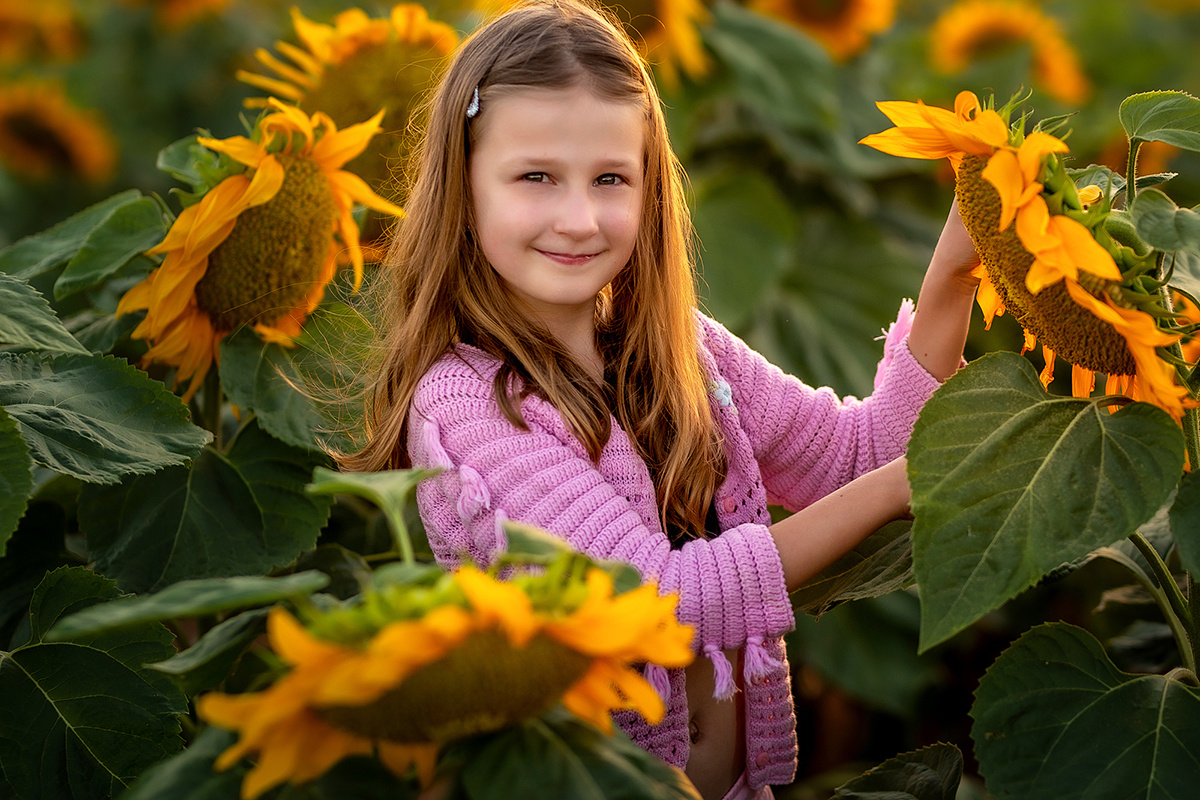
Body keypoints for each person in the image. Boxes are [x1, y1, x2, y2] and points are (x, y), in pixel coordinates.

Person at [343, 0, 980, 797]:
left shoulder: (684, 349)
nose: (578, 219)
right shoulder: (469, 408)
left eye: (611, 179)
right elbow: (659, 604)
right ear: (463, 184)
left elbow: (864, 455)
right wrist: (895, 491)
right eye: (536, 177)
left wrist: (955, 273)